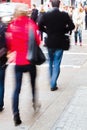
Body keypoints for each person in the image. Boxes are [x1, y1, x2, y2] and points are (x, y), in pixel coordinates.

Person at [6, 4, 41, 126]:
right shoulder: (31, 24)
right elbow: (38, 41)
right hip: (30, 60)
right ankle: (34, 101)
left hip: (19, 62)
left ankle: (16, 114)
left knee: (16, 89)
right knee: (33, 83)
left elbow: (9, 45)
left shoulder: (12, 26)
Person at [38, 0, 75, 91]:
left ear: (51, 5)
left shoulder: (46, 15)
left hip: (50, 42)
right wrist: (64, 30)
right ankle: (53, 83)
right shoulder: (64, 15)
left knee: (50, 62)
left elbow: (39, 26)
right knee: (57, 62)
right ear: (59, 5)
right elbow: (72, 26)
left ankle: (51, 80)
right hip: (60, 42)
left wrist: (47, 31)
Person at [0, 17, 7, 112]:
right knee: (1, 83)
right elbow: (7, 44)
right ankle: (0, 104)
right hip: (1, 59)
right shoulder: (3, 27)